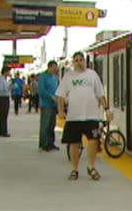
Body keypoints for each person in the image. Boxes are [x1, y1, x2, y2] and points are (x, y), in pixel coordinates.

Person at [56, 52, 110, 181]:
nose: (79, 62)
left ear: (85, 61)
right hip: (73, 117)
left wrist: (107, 109)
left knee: (93, 141)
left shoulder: (93, 75)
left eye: (81, 60)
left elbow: (100, 93)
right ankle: (75, 169)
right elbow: (61, 96)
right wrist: (61, 110)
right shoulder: (68, 77)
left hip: (91, 116)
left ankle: (91, 166)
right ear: (73, 63)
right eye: (76, 60)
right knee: (74, 144)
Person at [39, 60, 59, 151]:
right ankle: (44, 143)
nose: (56, 69)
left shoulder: (54, 77)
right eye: (54, 67)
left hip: (54, 104)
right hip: (46, 105)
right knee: (45, 125)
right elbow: (41, 90)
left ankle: (51, 143)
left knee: (52, 124)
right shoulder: (43, 77)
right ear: (49, 67)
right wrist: (51, 96)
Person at [0, 66, 11, 137]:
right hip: (2, 98)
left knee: (4, 116)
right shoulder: (1, 80)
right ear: (5, 72)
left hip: (5, 98)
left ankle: (3, 130)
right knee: (3, 115)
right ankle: (3, 131)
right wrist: (8, 88)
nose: (9, 73)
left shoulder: (4, 79)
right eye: (9, 71)